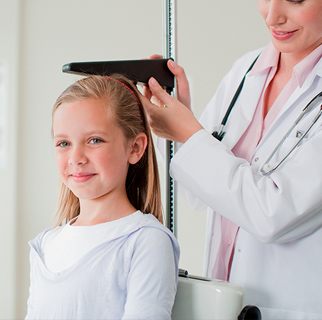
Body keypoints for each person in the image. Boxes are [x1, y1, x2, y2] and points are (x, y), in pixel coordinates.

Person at [142, 0, 322, 318]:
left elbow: (272, 214)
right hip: (222, 306)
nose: (272, 15)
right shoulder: (247, 70)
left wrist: (189, 134)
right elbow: (198, 193)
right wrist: (176, 123)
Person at [25, 75, 180, 320]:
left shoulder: (145, 242)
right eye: (63, 143)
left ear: (135, 148)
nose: (76, 157)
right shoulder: (45, 245)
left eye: (94, 140)